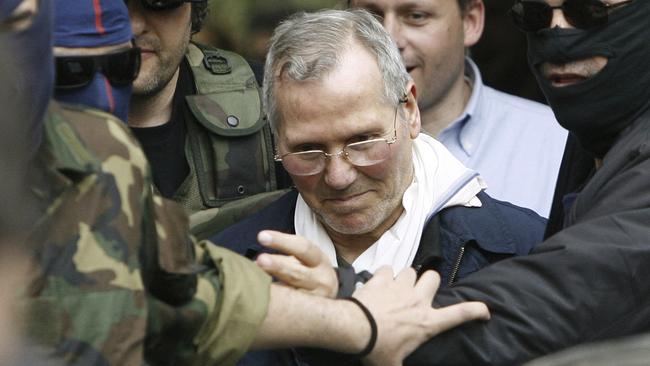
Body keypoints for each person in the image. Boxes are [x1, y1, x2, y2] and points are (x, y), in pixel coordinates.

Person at [1, 1, 490, 365]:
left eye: (118, 68)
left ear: (409, 110)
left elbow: (183, 286)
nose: (337, 175)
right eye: (69, 73)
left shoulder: (99, 158)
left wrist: (354, 318)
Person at [265, 1, 650, 364]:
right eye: (534, 14)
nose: (558, 34)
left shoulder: (516, 231)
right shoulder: (592, 139)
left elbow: (571, 292)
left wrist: (352, 314)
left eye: (587, 10)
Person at [212, 8, 545, 365]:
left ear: (410, 111)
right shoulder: (224, 272)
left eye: (362, 141)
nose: (338, 177)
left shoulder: (527, 252)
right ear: (276, 140)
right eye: (308, 150)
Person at [348, 0, 567, 217]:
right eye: (371, 18)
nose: (389, 39)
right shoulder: (319, 151)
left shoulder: (557, 144)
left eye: (416, 16)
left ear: (470, 22)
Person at [124, 0, 290, 234]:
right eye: (113, 5)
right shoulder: (55, 117)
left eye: (158, 3)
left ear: (193, 8)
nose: (134, 25)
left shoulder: (269, 96)